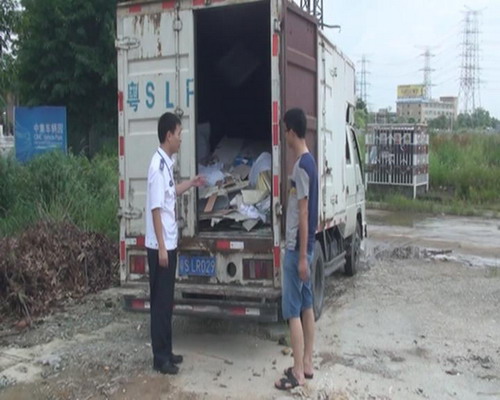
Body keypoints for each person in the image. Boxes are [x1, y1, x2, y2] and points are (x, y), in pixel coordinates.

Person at [145, 112, 205, 375]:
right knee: (160, 303)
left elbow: (170, 193)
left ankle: (167, 351)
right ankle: (160, 358)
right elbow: (156, 209)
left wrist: (190, 184)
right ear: (168, 135)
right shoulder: (157, 168)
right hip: (161, 245)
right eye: (179, 134)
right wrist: (160, 247)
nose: (181, 139)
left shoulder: (166, 163)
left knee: (167, 301)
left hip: (168, 242)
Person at [275, 108, 318, 390]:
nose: (283, 136)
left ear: (291, 131)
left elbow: (302, 212)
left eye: (284, 131)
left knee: (292, 311)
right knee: (307, 305)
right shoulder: (311, 161)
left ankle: (297, 373)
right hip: (308, 246)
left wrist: (301, 256)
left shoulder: (301, 167)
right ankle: (308, 363)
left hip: (297, 248)